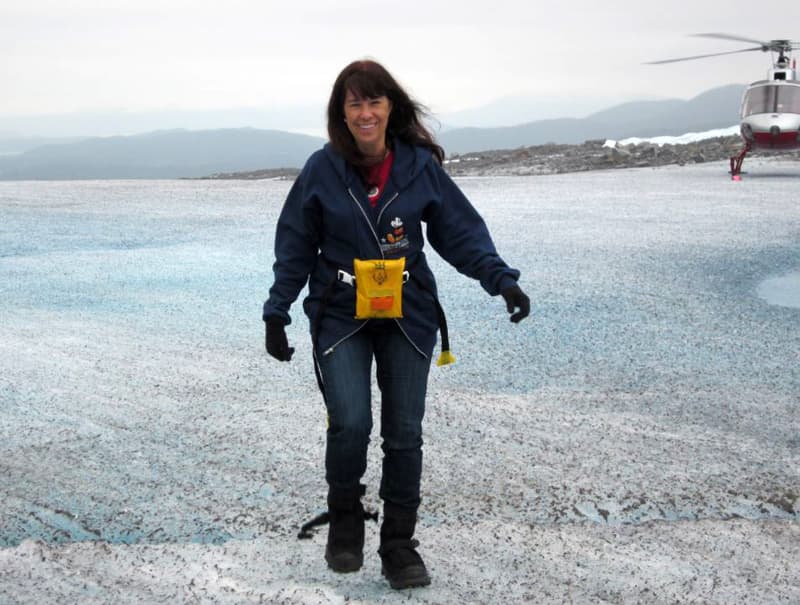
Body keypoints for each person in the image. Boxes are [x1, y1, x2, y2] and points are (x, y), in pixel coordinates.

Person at [263, 59, 529, 590]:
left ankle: (399, 545)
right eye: (355, 103)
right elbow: (295, 244)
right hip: (340, 312)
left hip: (407, 311)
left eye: (374, 101)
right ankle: (345, 521)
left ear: (391, 107)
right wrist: (277, 310)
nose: (366, 113)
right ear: (342, 113)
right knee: (352, 424)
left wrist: (499, 279)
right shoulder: (322, 169)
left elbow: (459, 231)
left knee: (404, 433)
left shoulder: (417, 167)